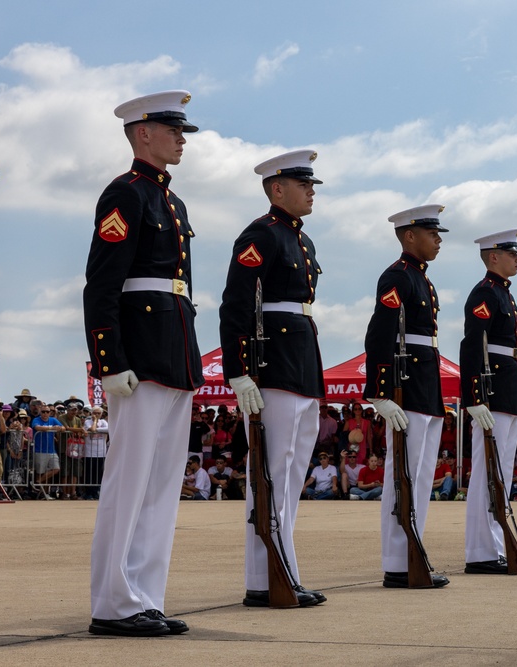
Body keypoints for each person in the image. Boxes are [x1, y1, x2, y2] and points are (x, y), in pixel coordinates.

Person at [83, 90, 204, 637]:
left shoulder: (172, 203)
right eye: (172, 129)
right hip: (139, 356)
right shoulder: (125, 194)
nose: (182, 138)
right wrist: (108, 360)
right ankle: (112, 600)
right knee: (128, 483)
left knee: (160, 486)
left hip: (173, 353)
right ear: (142, 134)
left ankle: (144, 595)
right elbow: (102, 285)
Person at [219, 149, 327, 608]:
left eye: (312, 185)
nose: (311, 191)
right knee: (269, 475)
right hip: (274, 364)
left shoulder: (303, 241)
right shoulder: (260, 235)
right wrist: (239, 372)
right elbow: (236, 305)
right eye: (303, 184)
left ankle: (284, 571)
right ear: (276, 188)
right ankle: (263, 580)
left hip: (301, 361)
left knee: (289, 478)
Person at [361, 204, 449, 590]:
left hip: (425, 383)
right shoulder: (397, 276)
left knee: (421, 476)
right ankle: (398, 562)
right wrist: (379, 392)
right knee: (404, 476)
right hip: (407, 383)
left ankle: (413, 551)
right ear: (409, 235)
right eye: (432, 233)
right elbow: (380, 333)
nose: (439, 240)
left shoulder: (421, 279)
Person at [459, 229, 517, 575]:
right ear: (493, 257)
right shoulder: (485, 293)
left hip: (507, 386)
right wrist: (474, 397)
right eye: (512, 254)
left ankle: (492, 547)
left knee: (498, 471)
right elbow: (473, 345)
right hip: (493, 390)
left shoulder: (502, 294)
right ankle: (481, 551)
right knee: (487, 472)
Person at [82, 406, 108, 500]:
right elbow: (92, 430)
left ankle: (96, 491)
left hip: (101, 452)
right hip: (90, 452)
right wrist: (95, 422)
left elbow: (108, 430)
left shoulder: (104, 422)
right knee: (90, 473)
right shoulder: (87, 422)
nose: (96, 415)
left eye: (98, 413)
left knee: (98, 473)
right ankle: (89, 492)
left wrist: (98, 429)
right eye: (95, 413)